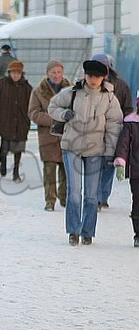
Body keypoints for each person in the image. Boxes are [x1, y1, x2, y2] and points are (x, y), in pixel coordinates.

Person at [49, 59, 123, 246]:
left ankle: (88, 231)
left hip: (96, 150)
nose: (93, 80)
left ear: (103, 77)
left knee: (91, 195)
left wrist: (110, 152)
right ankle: (73, 231)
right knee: (74, 191)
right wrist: (63, 114)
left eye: (97, 76)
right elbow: (53, 107)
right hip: (71, 147)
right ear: (85, 75)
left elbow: (114, 126)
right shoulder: (72, 92)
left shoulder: (109, 98)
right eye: (90, 76)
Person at [91, 54, 133, 210]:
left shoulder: (121, 86)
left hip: (114, 132)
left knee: (108, 165)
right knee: (93, 164)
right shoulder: (90, 84)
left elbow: (128, 108)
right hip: (94, 131)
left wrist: (127, 128)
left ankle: (103, 196)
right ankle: (94, 197)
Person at [28, 60, 71, 211]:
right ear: (47, 74)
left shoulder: (71, 90)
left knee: (66, 170)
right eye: (53, 72)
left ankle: (64, 197)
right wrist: (54, 118)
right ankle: (50, 200)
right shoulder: (38, 91)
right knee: (49, 170)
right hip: (48, 136)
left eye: (59, 72)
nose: (57, 75)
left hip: (66, 136)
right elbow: (33, 113)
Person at [0, 60, 32, 182]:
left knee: (18, 148)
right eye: (13, 72)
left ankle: (16, 171)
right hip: (5, 121)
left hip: (21, 122)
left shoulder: (27, 87)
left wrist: (31, 118)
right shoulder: (2, 84)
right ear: (9, 73)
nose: (15, 75)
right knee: (4, 147)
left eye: (18, 73)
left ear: (22, 74)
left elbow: (31, 105)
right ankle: (3, 163)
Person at [113, 98, 139, 247]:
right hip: (137, 171)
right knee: (138, 203)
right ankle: (138, 234)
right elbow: (124, 144)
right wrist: (121, 162)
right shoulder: (131, 123)